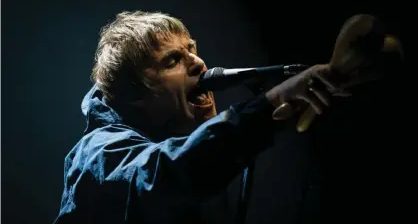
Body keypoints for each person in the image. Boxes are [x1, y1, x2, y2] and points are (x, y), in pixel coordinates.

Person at [53, 11, 347, 224]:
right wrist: (273, 103)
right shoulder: (97, 154)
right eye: (173, 60)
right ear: (134, 95)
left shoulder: (191, 156)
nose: (199, 63)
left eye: (192, 49)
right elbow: (164, 175)